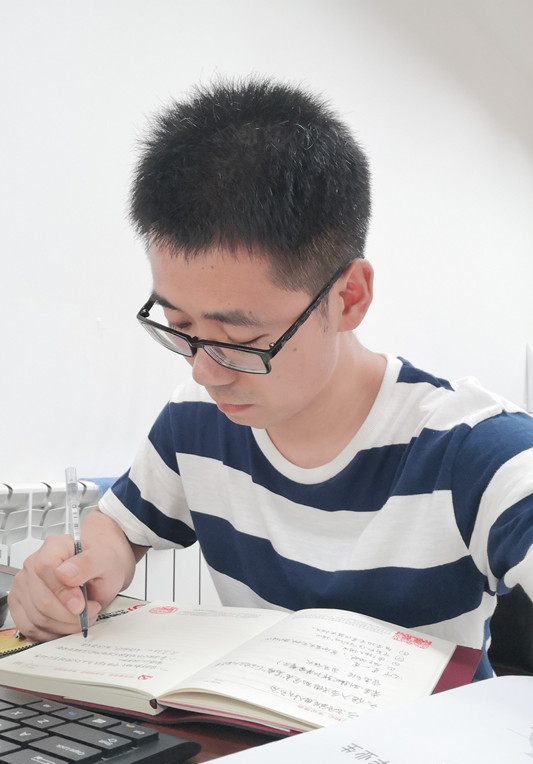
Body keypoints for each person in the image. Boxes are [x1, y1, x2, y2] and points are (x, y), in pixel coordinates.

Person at [9, 78, 533, 679]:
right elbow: (119, 529)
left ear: (349, 297)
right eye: (180, 326)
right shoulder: (196, 421)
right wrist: (84, 567)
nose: (205, 371)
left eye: (240, 340)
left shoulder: (475, 449)